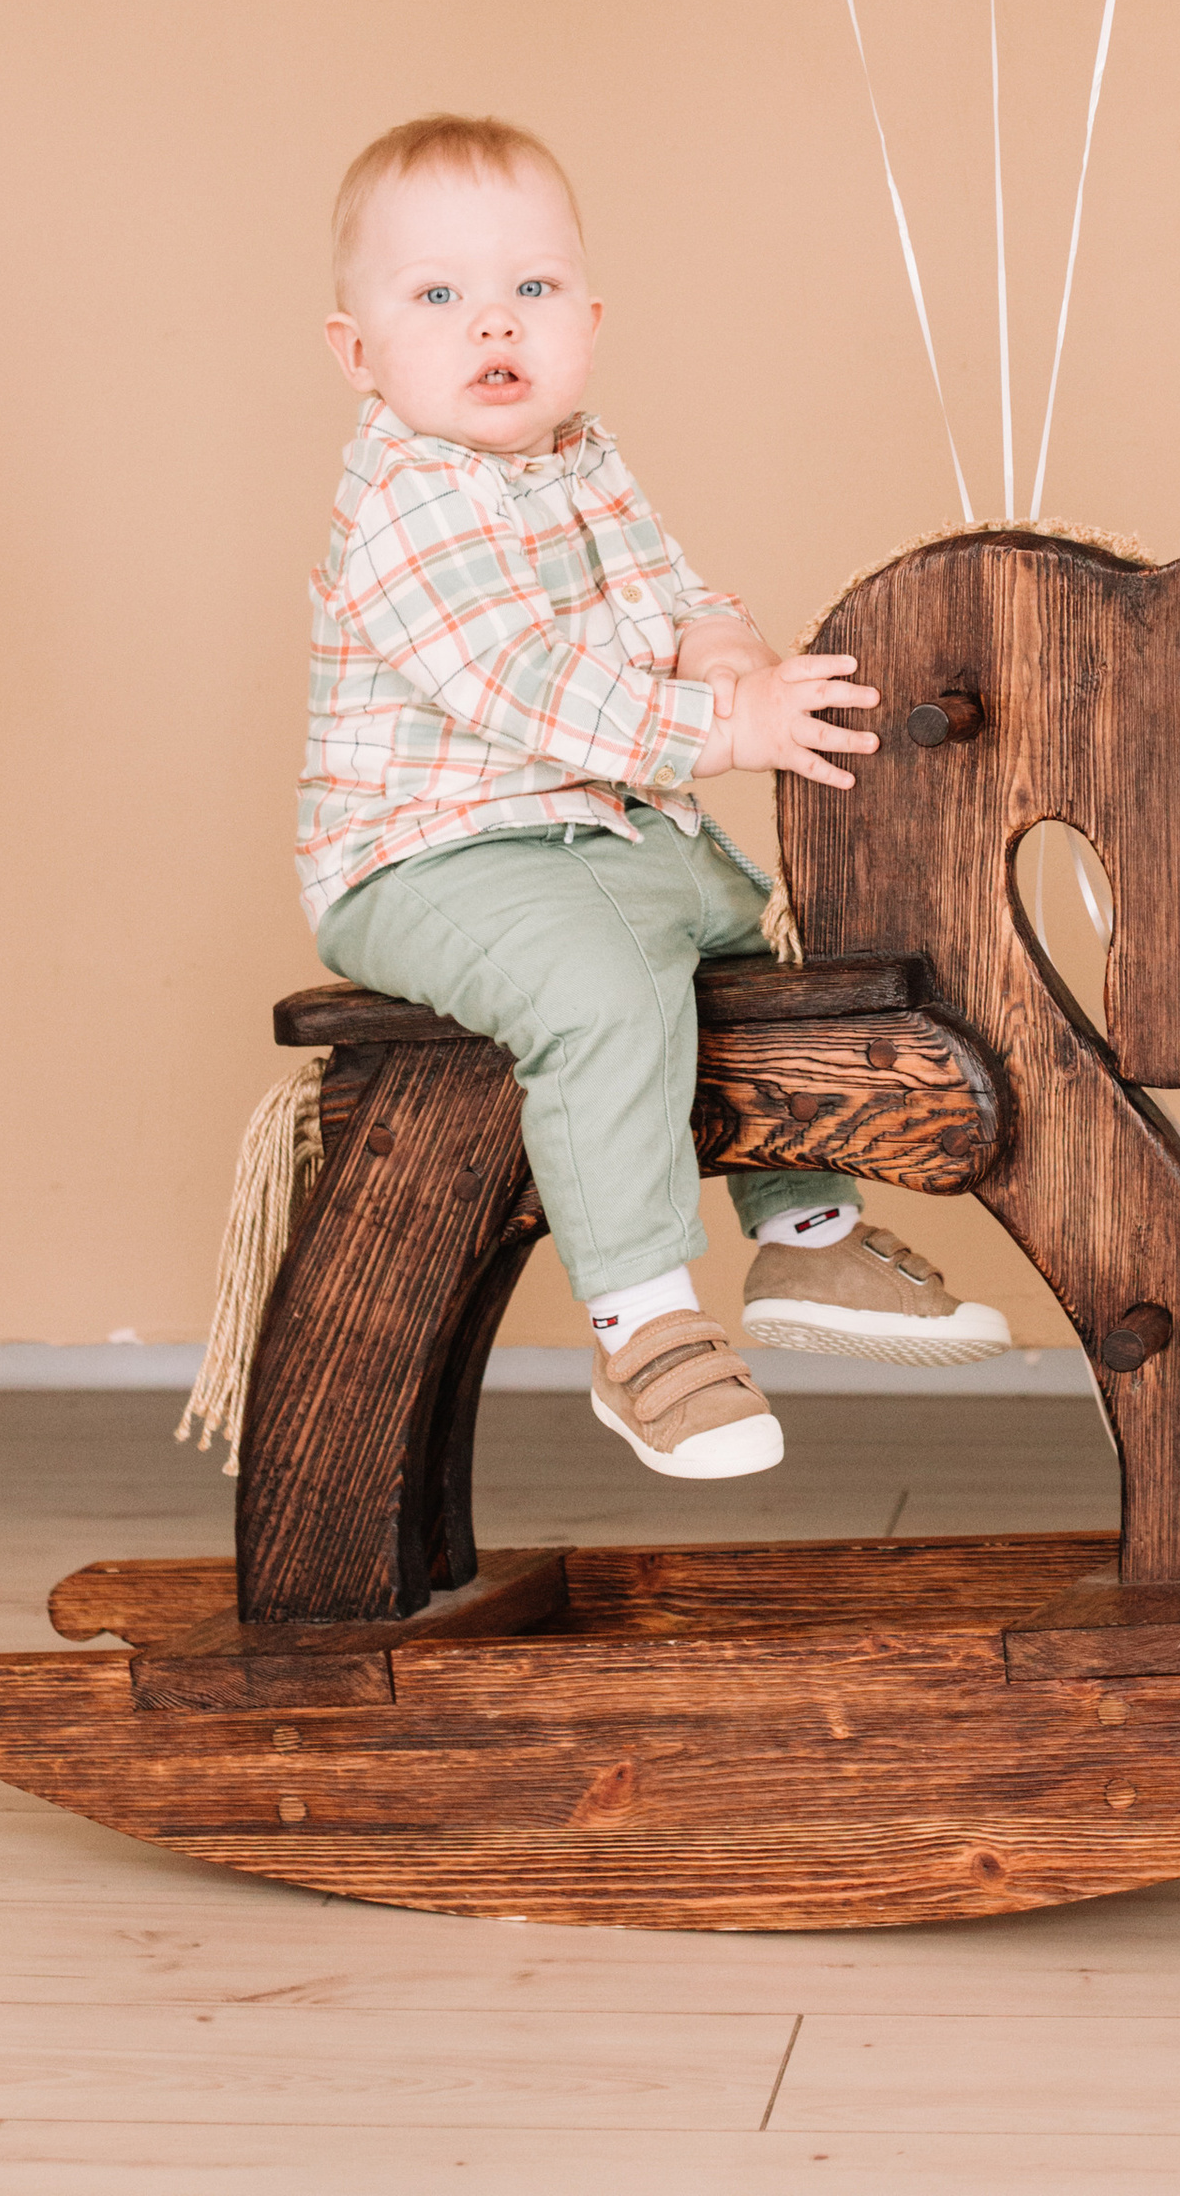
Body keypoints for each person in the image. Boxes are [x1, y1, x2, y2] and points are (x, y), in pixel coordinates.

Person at [298, 111, 1009, 1480]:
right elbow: (519, 684)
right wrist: (726, 725)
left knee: (755, 936)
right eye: (437, 296)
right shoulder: (408, 496)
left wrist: (724, 648)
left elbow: (669, 593)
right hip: (428, 857)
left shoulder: (581, 459)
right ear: (358, 353)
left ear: (588, 322)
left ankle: (806, 1236)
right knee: (605, 994)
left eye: (532, 287)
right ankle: (643, 1326)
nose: (492, 322)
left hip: (597, 834)